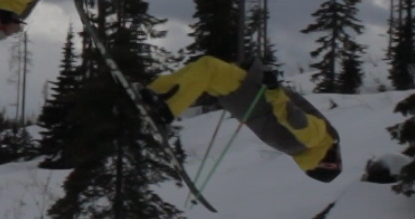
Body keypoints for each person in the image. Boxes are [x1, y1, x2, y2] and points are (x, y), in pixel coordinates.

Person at [146, 56, 342, 181]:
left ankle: (164, 109)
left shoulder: (316, 139)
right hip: (246, 102)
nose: (337, 157)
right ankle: (155, 96)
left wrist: (273, 89)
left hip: (253, 95)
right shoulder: (299, 149)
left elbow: (292, 116)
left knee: (208, 68)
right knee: (206, 69)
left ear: (325, 164)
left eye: (334, 163)